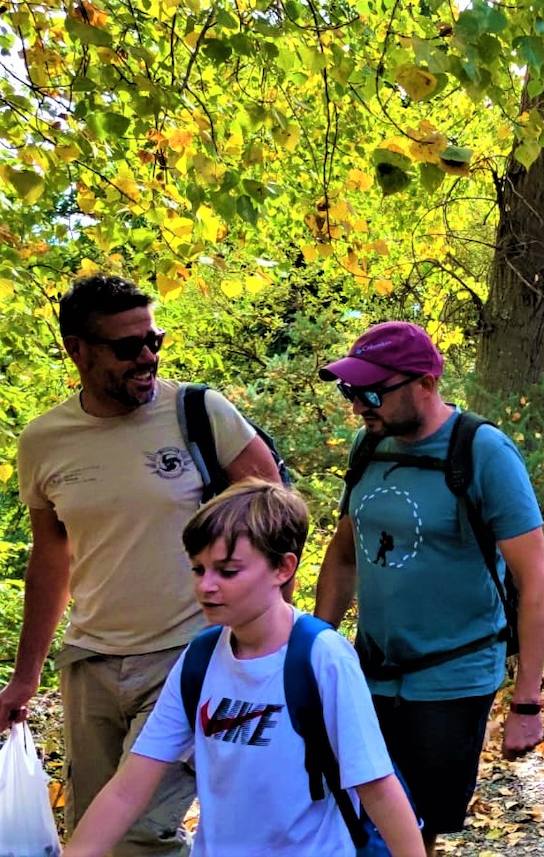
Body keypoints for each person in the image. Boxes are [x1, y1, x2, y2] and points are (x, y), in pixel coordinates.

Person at [3, 273, 281, 855]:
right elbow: (51, 556)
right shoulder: (45, 440)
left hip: (189, 653)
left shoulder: (199, 413)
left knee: (140, 832)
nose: (147, 357)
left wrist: (263, 639)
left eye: (155, 340)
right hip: (91, 660)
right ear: (77, 350)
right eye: (127, 347)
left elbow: (272, 506)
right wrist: (26, 675)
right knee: (93, 830)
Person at [65, 480, 425, 857]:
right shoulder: (199, 659)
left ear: (282, 568)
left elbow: (377, 787)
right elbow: (127, 791)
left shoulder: (321, 657)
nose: (207, 586)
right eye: (198, 569)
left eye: (228, 571)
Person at [313, 322, 544, 855]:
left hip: (453, 678)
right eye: (350, 391)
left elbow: (534, 578)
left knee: (414, 825)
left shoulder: (482, 450)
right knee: (360, 818)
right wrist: (311, 647)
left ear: (424, 383)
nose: (359, 406)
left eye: (372, 392)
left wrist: (527, 702)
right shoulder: (368, 445)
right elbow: (345, 550)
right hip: (371, 672)